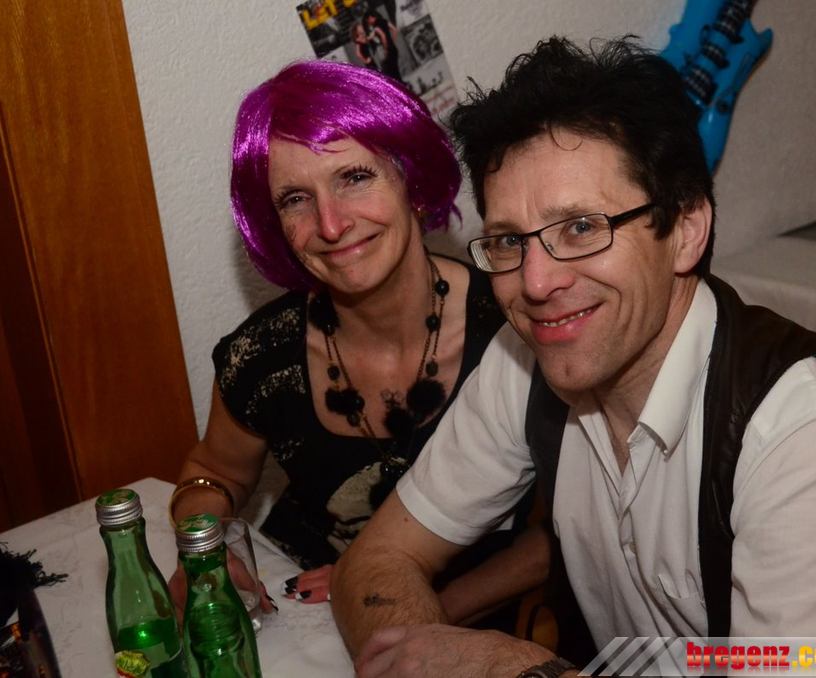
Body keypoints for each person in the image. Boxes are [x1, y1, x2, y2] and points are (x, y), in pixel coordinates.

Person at [330, 36, 816, 677]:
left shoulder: (810, 427)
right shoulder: (522, 359)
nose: (535, 282)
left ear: (686, 230)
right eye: (508, 240)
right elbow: (379, 558)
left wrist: (518, 668)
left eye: (580, 227)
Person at [167, 58, 547, 629]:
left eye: (354, 178)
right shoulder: (262, 356)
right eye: (295, 199)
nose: (330, 224)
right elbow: (215, 470)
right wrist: (203, 549)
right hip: (299, 610)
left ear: (413, 181)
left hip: (463, 616)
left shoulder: (519, 327)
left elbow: (564, 538)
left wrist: (395, 607)